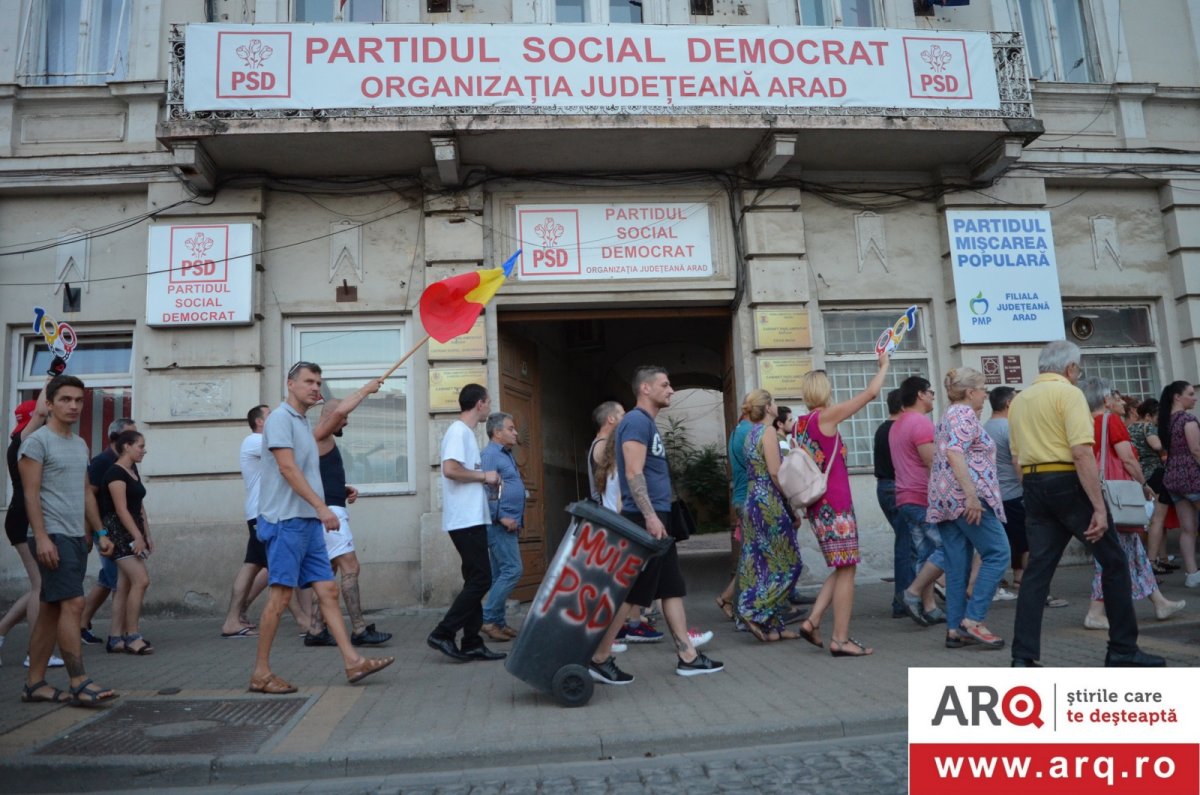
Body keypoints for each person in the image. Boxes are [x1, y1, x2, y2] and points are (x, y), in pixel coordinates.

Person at [1008, 340, 1163, 667]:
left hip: (1034, 483)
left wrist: (1032, 491)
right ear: (1070, 368)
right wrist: (1098, 507)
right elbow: (1081, 453)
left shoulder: (1021, 400)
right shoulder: (1069, 394)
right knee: (1114, 560)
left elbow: (1017, 456)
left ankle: (1023, 656)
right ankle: (1122, 649)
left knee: (1037, 572)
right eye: (1077, 369)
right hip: (1067, 481)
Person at [249, 362, 393, 694]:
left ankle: (353, 662)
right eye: (309, 382)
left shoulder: (301, 423)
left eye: (319, 382)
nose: (316, 387)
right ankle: (261, 673)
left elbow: (307, 466)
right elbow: (286, 468)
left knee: (327, 591)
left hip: (309, 523)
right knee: (280, 598)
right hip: (287, 523)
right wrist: (321, 506)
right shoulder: (281, 420)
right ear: (290, 384)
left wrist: (337, 492)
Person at [588, 366, 723, 684]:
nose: (671, 389)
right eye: (665, 384)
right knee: (634, 594)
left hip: (656, 517)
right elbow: (633, 472)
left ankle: (687, 656)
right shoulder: (635, 421)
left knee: (671, 588)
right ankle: (599, 658)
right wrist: (649, 516)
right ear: (645, 389)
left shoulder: (646, 423)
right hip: (644, 518)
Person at [19, 375, 118, 706]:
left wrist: (100, 532)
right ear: (48, 404)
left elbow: (85, 492)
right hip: (52, 536)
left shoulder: (80, 444)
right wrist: (43, 537)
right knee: (74, 604)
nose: (73, 405)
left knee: (50, 610)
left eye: (78, 400)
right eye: (65, 399)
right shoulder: (36, 443)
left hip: (76, 535)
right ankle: (79, 680)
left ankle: (35, 684)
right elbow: (29, 495)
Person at [792, 352, 890, 657]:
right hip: (836, 505)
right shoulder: (826, 417)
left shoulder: (800, 425)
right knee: (848, 568)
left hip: (817, 506)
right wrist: (884, 365)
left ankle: (814, 620)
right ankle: (840, 638)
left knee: (841, 566)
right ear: (826, 391)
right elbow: (871, 394)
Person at [1079, 379, 1184, 629]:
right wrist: (1143, 484)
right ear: (1105, 400)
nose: (1121, 402)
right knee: (1112, 555)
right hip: (1118, 495)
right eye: (1116, 397)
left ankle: (1159, 602)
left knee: (1134, 552)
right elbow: (1126, 458)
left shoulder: (1082, 423)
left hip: (1097, 491)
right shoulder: (1110, 421)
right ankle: (1095, 611)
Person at [304, 383, 392, 648]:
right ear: (334, 418)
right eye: (344, 419)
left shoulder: (322, 441)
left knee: (328, 572)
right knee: (351, 568)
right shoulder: (320, 435)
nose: (347, 424)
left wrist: (342, 490)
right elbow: (339, 408)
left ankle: (317, 630)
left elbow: (319, 477)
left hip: (332, 507)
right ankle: (359, 629)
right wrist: (366, 390)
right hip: (331, 515)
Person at [927, 368, 1009, 650]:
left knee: (956, 564)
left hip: (945, 499)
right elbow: (954, 452)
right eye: (983, 389)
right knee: (998, 553)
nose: (986, 395)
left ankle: (954, 628)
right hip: (966, 500)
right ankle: (973, 620)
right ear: (970, 392)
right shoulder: (964, 415)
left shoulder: (947, 415)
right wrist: (972, 497)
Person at [426, 383, 507, 662]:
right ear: (480, 404)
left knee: (474, 578)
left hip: (471, 516)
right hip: (464, 519)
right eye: (489, 401)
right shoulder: (458, 432)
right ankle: (443, 632)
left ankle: (472, 642)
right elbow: (450, 470)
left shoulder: (467, 434)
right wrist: (485, 476)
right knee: (482, 578)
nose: (489, 407)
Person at [1, 390, 67, 670]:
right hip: (25, 518)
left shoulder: (21, 442)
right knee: (41, 587)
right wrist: (52, 373)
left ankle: (1, 631)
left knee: (36, 585)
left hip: (21, 517)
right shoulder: (25, 440)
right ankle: (35, 653)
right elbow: (41, 412)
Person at [736, 390, 802, 641]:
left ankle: (773, 626)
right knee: (790, 563)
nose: (776, 405)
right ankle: (755, 610)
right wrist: (791, 503)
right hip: (769, 502)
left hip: (752, 499)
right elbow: (776, 473)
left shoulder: (748, 433)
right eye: (773, 402)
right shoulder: (769, 432)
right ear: (767, 408)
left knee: (762, 562)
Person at [892, 376, 947, 627]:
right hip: (923, 497)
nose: (933, 396)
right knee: (948, 549)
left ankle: (930, 607)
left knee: (925, 554)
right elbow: (932, 464)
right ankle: (912, 593)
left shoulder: (898, 424)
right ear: (920, 394)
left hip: (905, 497)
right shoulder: (921, 424)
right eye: (931, 392)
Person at [79, 417, 136, 651]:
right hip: (106, 529)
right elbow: (88, 495)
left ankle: (80, 624)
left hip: (121, 530)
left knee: (107, 578)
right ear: (116, 438)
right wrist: (90, 531)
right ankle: (120, 634)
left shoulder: (128, 460)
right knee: (120, 581)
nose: (134, 440)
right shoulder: (103, 462)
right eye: (128, 436)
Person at [98, 430, 155, 655]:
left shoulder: (132, 471)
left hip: (133, 531)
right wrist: (137, 537)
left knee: (124, 585)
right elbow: (121, 510)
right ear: (126, 447)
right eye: (140, 446)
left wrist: (147, 534)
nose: (144, 450)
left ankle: (115, 637)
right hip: (119, 534)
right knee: (141, 580)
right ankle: (133, 635)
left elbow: (138, 506)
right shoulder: (115, 473)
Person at [480, 411, 526, 642]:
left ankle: (497, 622)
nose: (515, 432)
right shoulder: (489, 455)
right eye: (510, 428)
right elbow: (486, 492)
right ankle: (488, 618)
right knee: (513, 570)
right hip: (499, 524)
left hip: (507, 523)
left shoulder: (505, 454)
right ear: (497, 432)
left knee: (500, 573)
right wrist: (500, 517)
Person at [982, 387, 1027, 600]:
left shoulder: (985, 427)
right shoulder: (1009, 428)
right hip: (1012, 492)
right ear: (1009, 403)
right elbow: (1017, 462)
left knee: (1003, 541)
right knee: (1024, 542)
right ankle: (1029, 584)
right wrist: (1026, 487)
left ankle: (1011, 579)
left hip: (993, 493)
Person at [1157, 380, 1200, 588]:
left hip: (1173, 478)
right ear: (1177, 396)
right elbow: (1196, 450)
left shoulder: (1165, 421)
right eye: (1191, 393)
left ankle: (1192, 574)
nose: (1195, 397)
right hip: (1192, 477)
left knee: (1187, 528)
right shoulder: (1187, 420)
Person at [873, 389, 911, 618]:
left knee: (906, 544)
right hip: (898, 488)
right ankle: (904, 601)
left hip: (885, 487)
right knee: (907, 547)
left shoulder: (882, 428)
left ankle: (910, 596)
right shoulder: (899, 430)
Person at [715, 400, 753, 622]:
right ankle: (737, 605)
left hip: (741, 497)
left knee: (750, 555)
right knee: (753, 557)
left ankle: (728, 599)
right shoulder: (751, 432)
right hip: (749, 499)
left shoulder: (737, 430)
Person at [1128, 398, 1174, 574]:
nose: (1158, 420)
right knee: (1158, 519)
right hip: (1155, 474)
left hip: (1140, 476)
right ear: (1148, 415)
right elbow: (1157, 445)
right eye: (1156, 416)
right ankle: (1153, 561)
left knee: (1156, 520)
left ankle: (1162, 559)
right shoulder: (1148, 427)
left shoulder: (1129, 428)